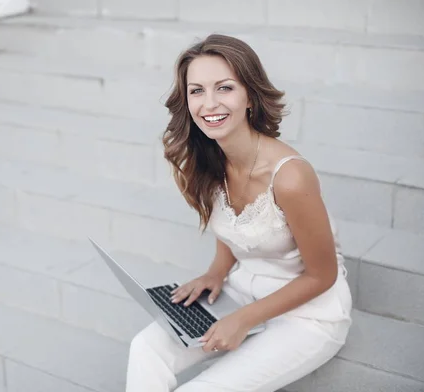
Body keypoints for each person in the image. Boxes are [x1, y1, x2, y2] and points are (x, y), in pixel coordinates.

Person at [125, 34, 353, 392]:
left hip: (307, 313)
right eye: (196, 90)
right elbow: (235, 227)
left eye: (225, 88)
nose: (209, 103)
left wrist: (243, 319)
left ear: (249, 95)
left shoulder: (291, 177)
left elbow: (322, 276)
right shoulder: (211, 158)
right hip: (241, 292)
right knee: (145, 348)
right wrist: (215, 273)